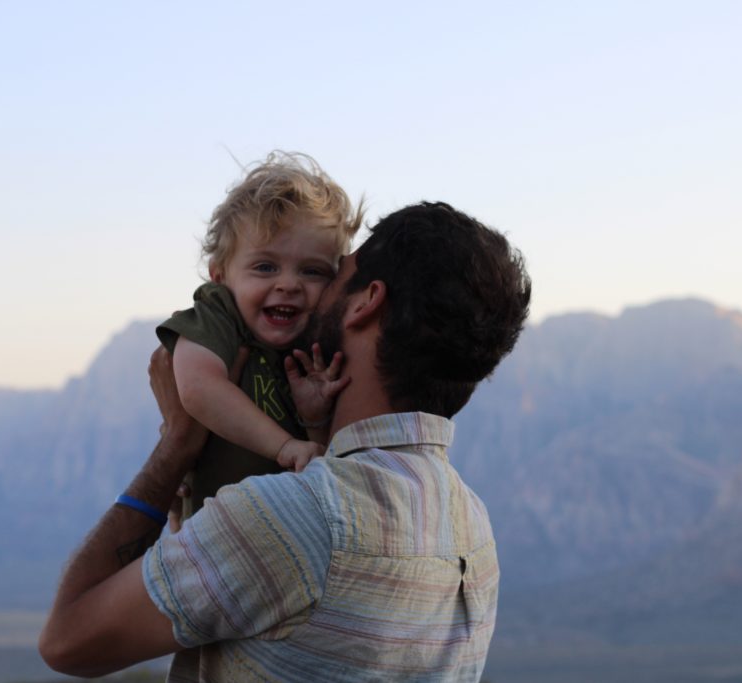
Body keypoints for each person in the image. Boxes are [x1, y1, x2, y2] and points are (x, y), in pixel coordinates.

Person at [39, 201, 532, 682]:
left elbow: (67, 642)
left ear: (366, 302)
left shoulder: (294, 519)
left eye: (332, 274)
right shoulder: (474, 528)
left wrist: (177, 443)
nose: (302, 292)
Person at [157, 151, 362, 521]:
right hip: (212, 538)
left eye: (313, 271)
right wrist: (284, 446)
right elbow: (198, 387)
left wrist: (314, 421)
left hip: (285, 535)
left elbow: (317, 462)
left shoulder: (317, 341)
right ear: (220, 275)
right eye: (265, 267)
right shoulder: (219, 315)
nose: (288, 285)